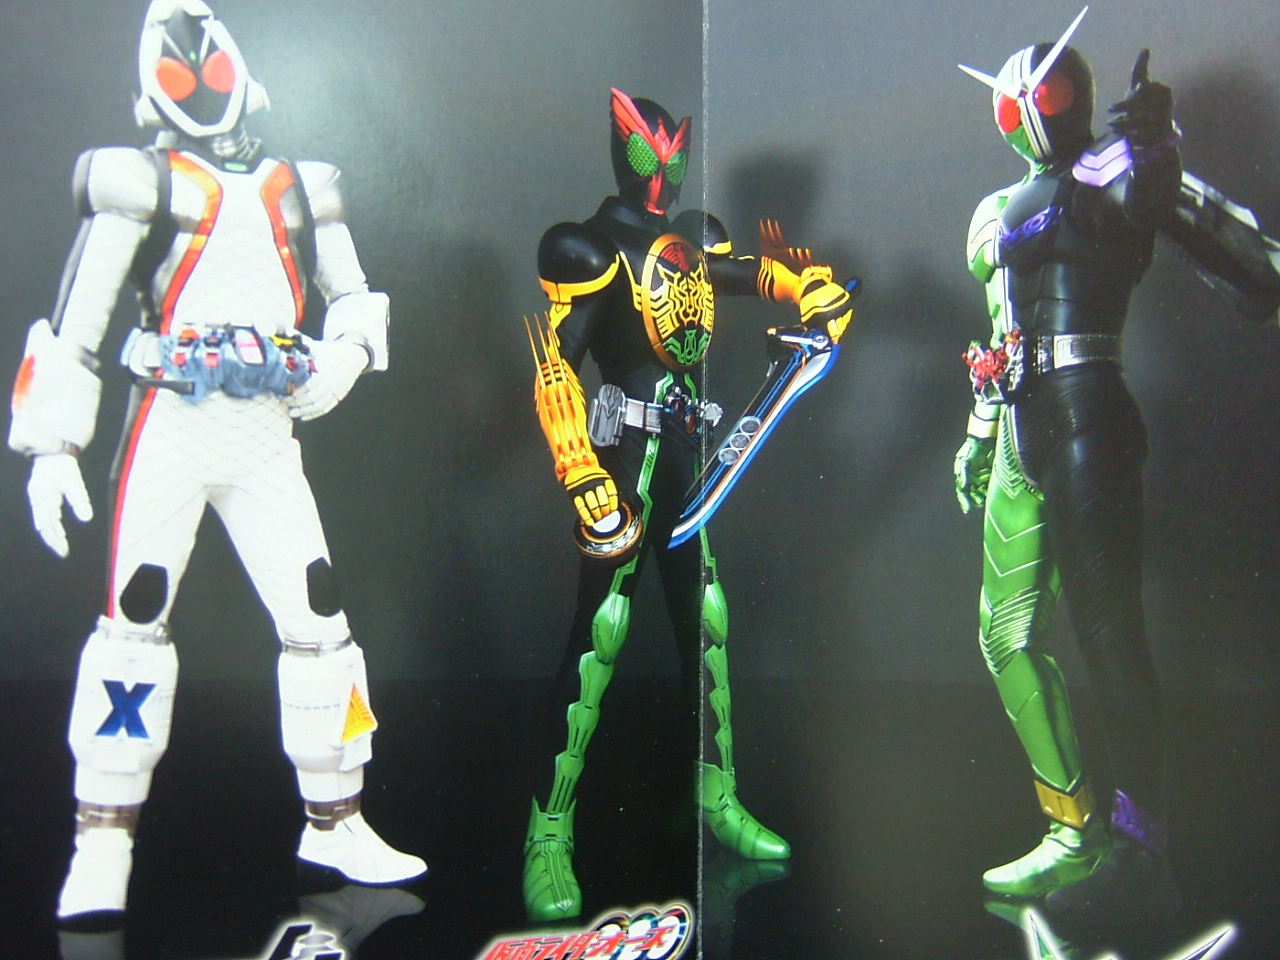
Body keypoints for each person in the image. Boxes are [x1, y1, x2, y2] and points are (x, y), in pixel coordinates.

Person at [8, 0, 425, 923]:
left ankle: (336, 820)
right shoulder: (144, 183)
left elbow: (354, 296)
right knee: (135, 623)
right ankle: (102, 842)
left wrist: (344, 360)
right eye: (177, 64)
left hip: (267, 433)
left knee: (319, 622)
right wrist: (52, 446)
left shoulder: (300, 186)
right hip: (170, 426)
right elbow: (80, 322)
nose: (198, 76)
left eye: (208, 59)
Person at [955, 9, 1280, 922]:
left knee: (1108, 633)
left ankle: (1143, 848)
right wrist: (980, 428)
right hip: (1020, 426)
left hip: (1087, 416)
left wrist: (1159, 151)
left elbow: (1163, 208)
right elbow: (999, 331)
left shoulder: (1108, 172)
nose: (1030, 109)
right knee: (1003, 638)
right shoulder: (996, 212)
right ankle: (1073, 830)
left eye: (1048, 93)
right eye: (1019, 100)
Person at [521, 87, 853, 922]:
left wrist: (812, 289)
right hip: (623, 459)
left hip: (686, 460)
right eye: (649, 153)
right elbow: (556, 364)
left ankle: (716, 794)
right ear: (624, 148)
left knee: (707, 621)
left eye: (672, 154)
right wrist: (580, 472)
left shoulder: (691, 240)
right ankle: (548, 829)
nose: (661, 171)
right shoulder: (590, 247)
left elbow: (747, 274)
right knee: (600, 634)